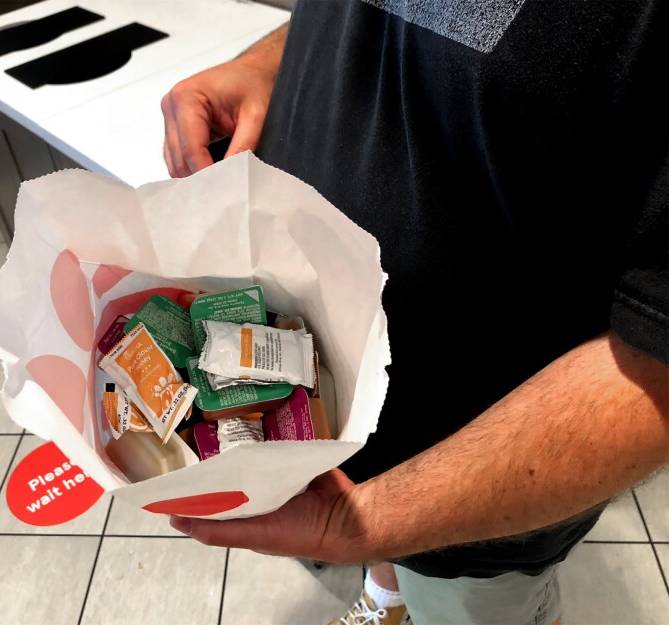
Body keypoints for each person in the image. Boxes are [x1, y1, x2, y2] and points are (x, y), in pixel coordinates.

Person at [160, 1, 668, 623]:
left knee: (469, 605)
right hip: (346, 419)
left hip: (480, 485)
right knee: (401, 571)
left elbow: (656, 366)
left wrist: (365, 523)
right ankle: (387, 590)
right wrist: (269, 63)